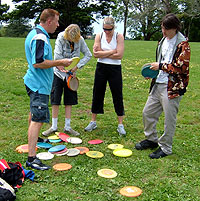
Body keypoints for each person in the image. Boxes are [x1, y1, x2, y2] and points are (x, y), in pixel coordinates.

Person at [135, 13, 190, 159]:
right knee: (148, 112)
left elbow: (182, 68)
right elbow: (160, 63)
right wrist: (152, 72)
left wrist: (160, 66)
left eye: (166, 29)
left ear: (175, 28)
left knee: (169, 119)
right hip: (158, 83)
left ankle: (166, 148)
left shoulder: (183, 44)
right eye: (162, 28)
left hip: (172, 87)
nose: (164, 32)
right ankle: (151, 139)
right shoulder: (162, 41)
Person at [24, 8, 73, 170]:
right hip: (38, 85)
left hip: (35, 82)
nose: (58, 25)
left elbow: (40, 61)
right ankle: (31, 158)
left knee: (34, 113)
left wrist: (57, 67)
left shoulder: (36, 33)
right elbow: (38, 62)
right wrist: (60, 62)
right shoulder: (40, 37)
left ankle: (36, 140)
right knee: (37, 119)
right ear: (49, 21)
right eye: (57, 21)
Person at [42, 24, 92, 137]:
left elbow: (88, 55)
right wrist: (60, 65)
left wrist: (77, 66)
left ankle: (67, 127)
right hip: (58, 73)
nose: (71, 41)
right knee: (55, 99)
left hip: (71, 76)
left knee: (69, 100)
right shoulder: (60, 37)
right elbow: (57, 55)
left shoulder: (81, 40)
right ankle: (53, 126)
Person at [84, 16, 126, 136]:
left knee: (117, 94)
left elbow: (120, 55)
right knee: (97, 93)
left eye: (109, 29)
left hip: (115, 68)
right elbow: (96, 54)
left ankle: (120, 124)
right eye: (105, 29)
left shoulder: (119, 36)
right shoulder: (99, 35)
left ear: (114, 27)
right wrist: (112, 51)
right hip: (101, 67)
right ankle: (93, 121)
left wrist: (104, 53)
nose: (107, 32)